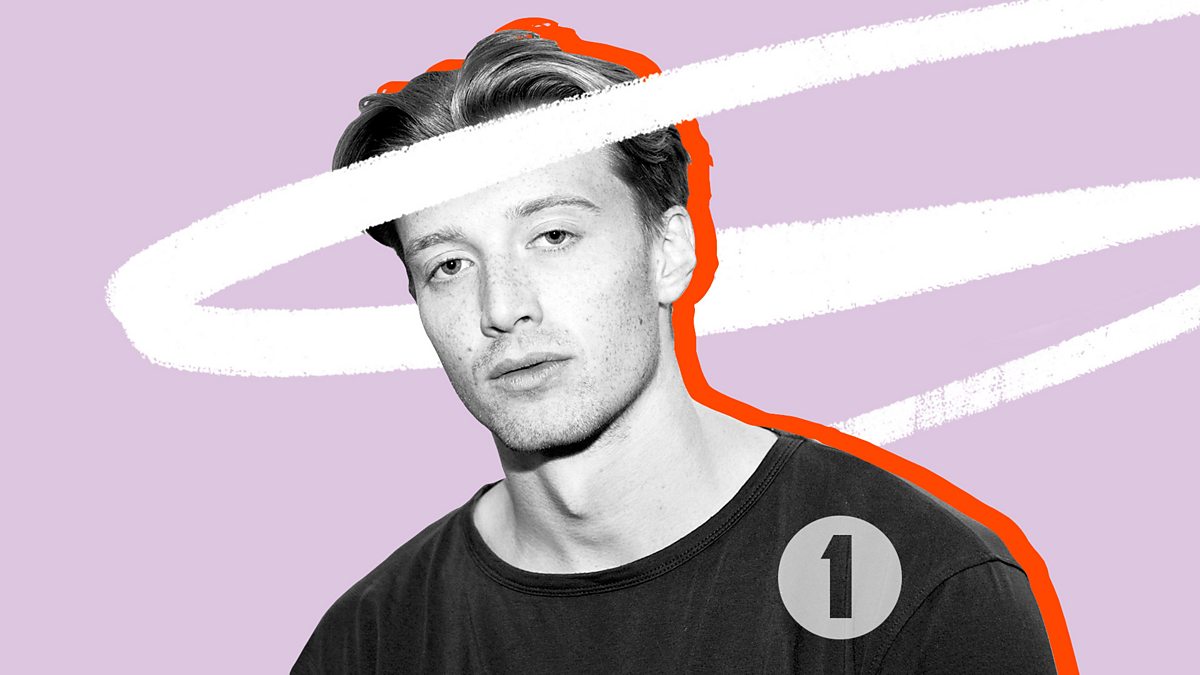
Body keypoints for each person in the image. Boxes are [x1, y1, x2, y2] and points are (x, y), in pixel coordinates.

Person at [292, 28, 1057, 674]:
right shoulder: (370, 644)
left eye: (553, 235)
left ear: (669, 251)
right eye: (449, 264)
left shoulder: (920, 587)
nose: (501, 306)